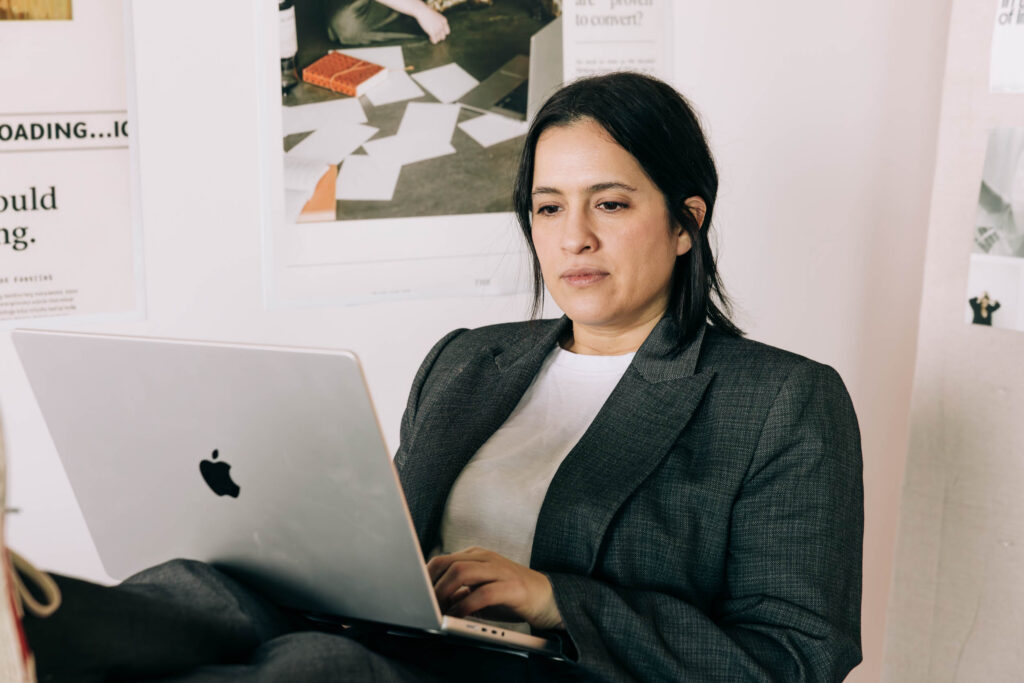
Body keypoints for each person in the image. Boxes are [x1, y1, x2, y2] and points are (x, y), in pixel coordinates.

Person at [22, 72, 863, 681]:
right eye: (548, 206)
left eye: (609, 203)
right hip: (406, 636)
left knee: (316, 667)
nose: (572, 236)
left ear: (685, 223)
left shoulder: (782, 400)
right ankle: (21, 617)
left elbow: (797, 656)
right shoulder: (469, 359)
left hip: (541, 669)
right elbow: (380, 533)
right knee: (199, 590)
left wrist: (553, 598)